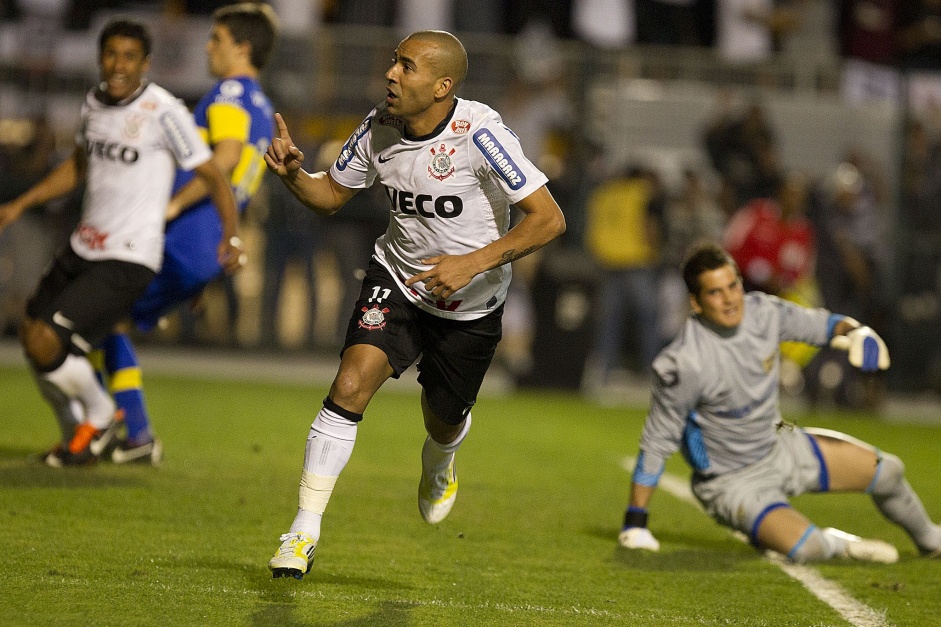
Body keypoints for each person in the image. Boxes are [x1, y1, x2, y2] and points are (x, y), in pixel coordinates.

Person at [263, 29, 567, 579]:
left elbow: (549, 219)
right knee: (350, 384)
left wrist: (471, 263)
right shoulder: (378, 126)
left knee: (444, 420)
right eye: (393, 63)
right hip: (398, 281)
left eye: (406, 67)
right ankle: (302, 532)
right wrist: (292, 177)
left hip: (470, 304)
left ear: (442, 85)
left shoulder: (482, 133)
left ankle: (440, 460)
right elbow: (331, 195)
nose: (391, 74)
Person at [0, 18, 241, 466]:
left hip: (130, 255)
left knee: (51, 338)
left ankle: (103, 414)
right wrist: (21, 203)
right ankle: (79, 438)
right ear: (99, 57)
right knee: (33, 338)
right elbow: (77, 167)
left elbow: (213, 174)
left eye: (129, 56)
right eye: (111, 54)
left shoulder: (163, 111)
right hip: (84, 245)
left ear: (145, 63)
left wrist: (229, 235)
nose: (118, 65)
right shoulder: (93, 103)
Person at [618, 243, 941, 563]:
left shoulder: (764, 312)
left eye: (733, 286)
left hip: (780, 443)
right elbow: (657, 441)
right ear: (696, 303)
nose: (730, 299)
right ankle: (838, 544)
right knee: (808, 548)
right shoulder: (683, 363)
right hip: (732, 482)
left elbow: (824, 325)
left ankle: (931, 540)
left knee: (887, 471)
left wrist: (859, 333)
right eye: (716, 292)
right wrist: (636, 521)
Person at [95, 2, 277, 464]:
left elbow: (228, 158)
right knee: (106, 321)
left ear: (242, 47)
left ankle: (114, 428)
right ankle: (122, 429)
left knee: (93, 319)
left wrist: (171, 205)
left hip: (186, 236)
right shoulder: (260, 101)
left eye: (216, 39)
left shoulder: (231, 91)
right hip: (203, 244)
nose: (207, 46)